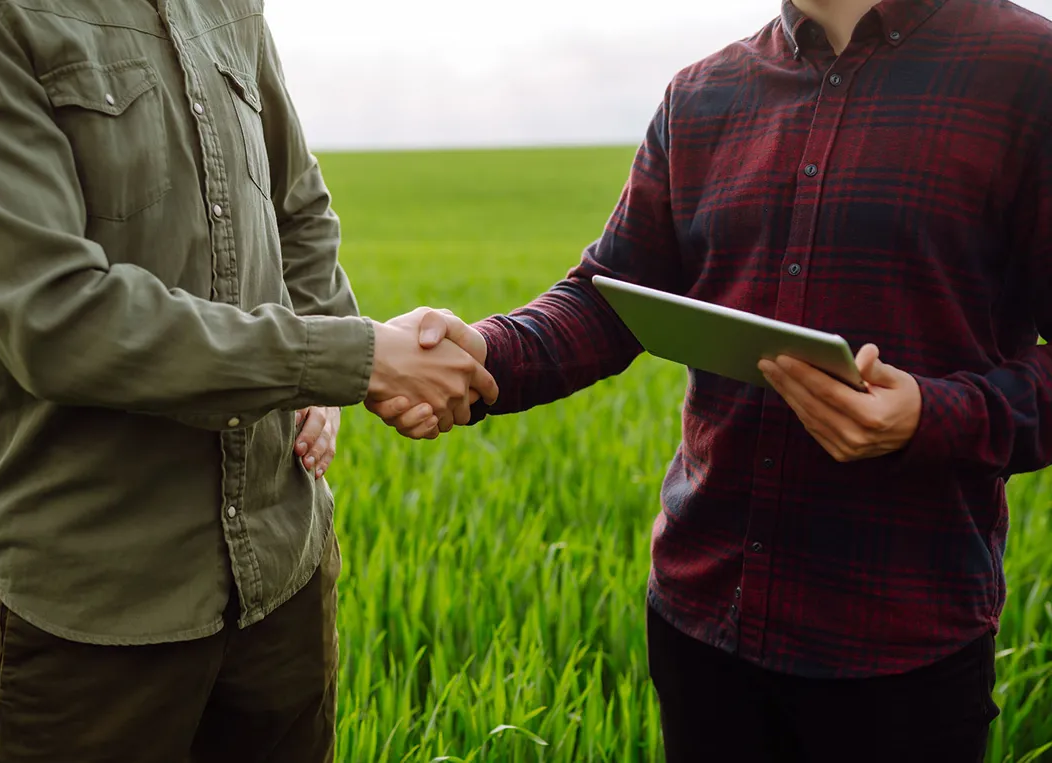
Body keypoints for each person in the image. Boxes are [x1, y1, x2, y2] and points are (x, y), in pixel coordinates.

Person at [373, 0, 1052, 760]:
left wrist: (931, 416)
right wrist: (481, 354)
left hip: (900, 645)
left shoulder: (1027, 70)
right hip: (702, 626)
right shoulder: (702, 95)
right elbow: (608, 299)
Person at [0, 0, 495, 761]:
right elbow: (57, 317)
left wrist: (329, 376)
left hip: (284, 577)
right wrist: (352, 356)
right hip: (97, 612)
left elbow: (294, 204)